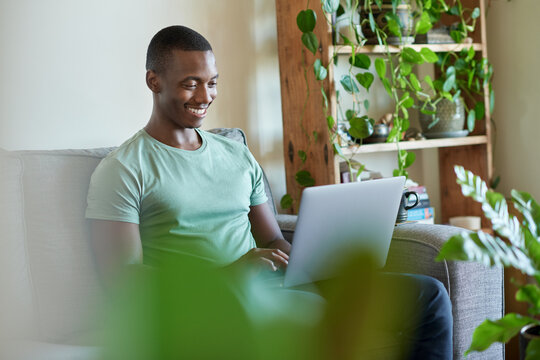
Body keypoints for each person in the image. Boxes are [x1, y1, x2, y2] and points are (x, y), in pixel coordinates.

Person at [85, 25, 452, 359]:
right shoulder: (124, 169)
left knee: (429, 296)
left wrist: (315, 258)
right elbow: (124, 282)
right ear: (154, 81)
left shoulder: (236, 153)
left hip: (274, 290)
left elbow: (273, 237)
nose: (205, 95)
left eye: (213, 82)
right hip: (209, 306)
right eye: (191, 83)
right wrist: (231, 273)